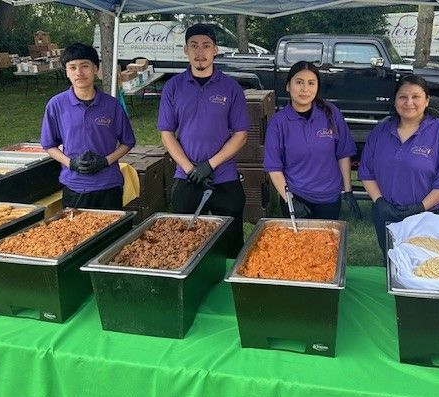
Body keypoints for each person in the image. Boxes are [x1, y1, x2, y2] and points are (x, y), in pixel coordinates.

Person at [157, 23, 249, 258]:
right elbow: (166, 133)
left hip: (225, 177)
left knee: (230, 246)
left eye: (206, 46)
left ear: (215, 50)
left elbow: (240, 134)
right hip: (187, 178)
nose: (200, 52)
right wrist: (191, 169)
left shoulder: (231, 88)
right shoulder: (173, 87)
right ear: (185, 50)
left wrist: (209, 165)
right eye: (194, 46)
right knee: (184, 243)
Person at [358, 74, 439, 258]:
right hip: (386, 213)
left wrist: (420, 207)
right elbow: (367, 172)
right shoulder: (380, 132)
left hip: (430, 215)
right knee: (392, 261)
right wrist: (380, 202)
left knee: (429, 267)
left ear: (427, 100)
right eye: (403, 97)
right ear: (395, 100)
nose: (409, 103)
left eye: (416, 97)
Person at [40, 42, 136, 210]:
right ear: (67, 72)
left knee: (113, 233)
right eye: (72, 67)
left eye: (85, 66)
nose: (79, 72)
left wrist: (106, 161)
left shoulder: (112, 105)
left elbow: (128, 142)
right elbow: (48, 145)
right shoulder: (56, 105)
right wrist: (71, 163)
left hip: (108, 185)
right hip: (75, 185)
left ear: (95, 69)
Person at [264, 61, 361, 221]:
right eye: (299, 82)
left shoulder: (331, 113)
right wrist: (291, 201)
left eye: (311, 83)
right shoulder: (278, 122)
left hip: (329, 197)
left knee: (326, 244)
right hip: (296, 195)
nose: (305, 89)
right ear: (288, 86)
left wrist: (348, 190)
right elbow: (274, 167)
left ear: (317, 87)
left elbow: (343, 153)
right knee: (296, 245)